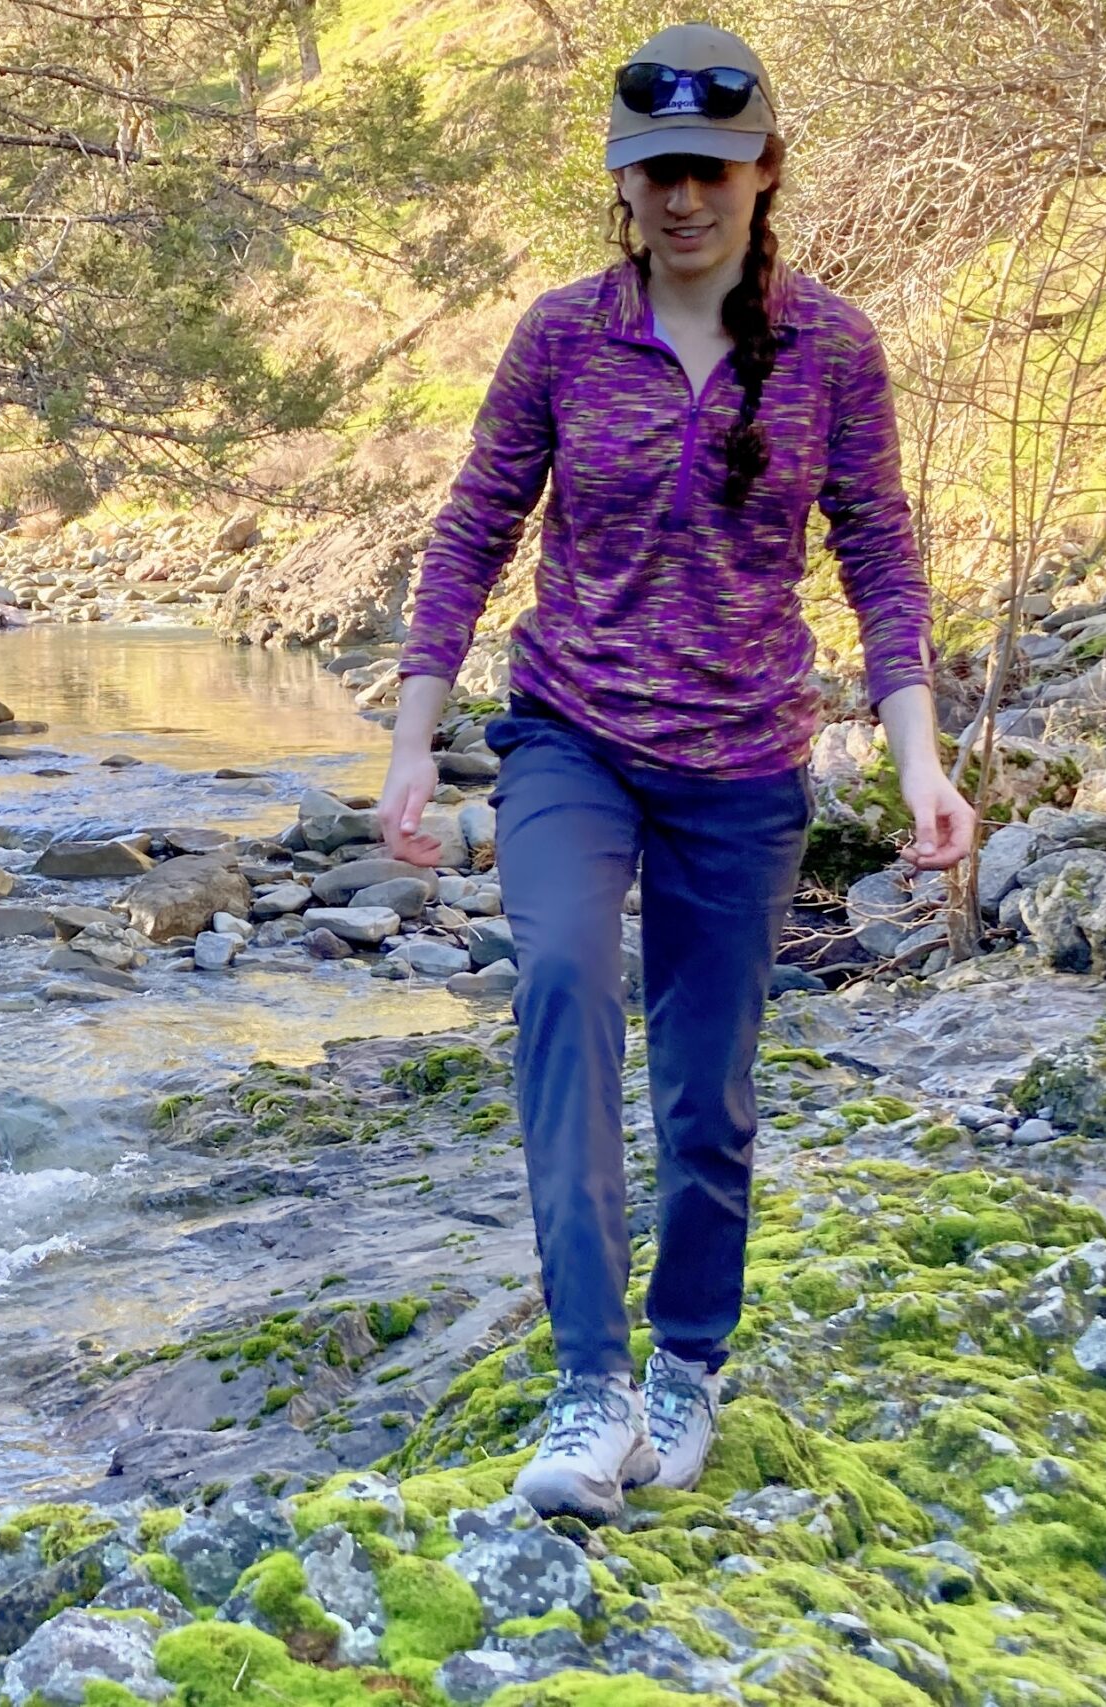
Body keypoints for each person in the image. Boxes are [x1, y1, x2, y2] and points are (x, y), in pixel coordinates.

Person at [374, 22, 976, 1524]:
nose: (682, 199)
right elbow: (472, 532)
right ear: (621, 183)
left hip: (745, 767)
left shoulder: (833, 347)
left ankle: (687, 1364)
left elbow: (880, 554)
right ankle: (591, 1386)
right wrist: (407, 745)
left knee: (708, 1095)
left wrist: (920, 769)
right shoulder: (561, 335)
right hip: (570, 736)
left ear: (765, 172)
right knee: (567, 990)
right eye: (653, 174)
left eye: (709, 170)